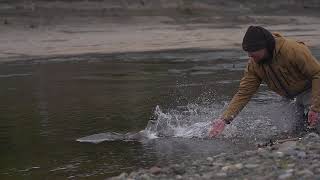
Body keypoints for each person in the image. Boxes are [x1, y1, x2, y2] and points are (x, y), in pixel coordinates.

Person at [209, 26, 320, 137]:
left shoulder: (293, 49)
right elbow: (244, 93)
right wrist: (224, 120)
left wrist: (315, 108)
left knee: (317, 123)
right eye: (248, 52)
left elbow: (317, 74)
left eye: (253, 52)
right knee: (290, 131)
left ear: (266, 46)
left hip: (310, 90)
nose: (249, 56)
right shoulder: (254, 64)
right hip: (288, 98)